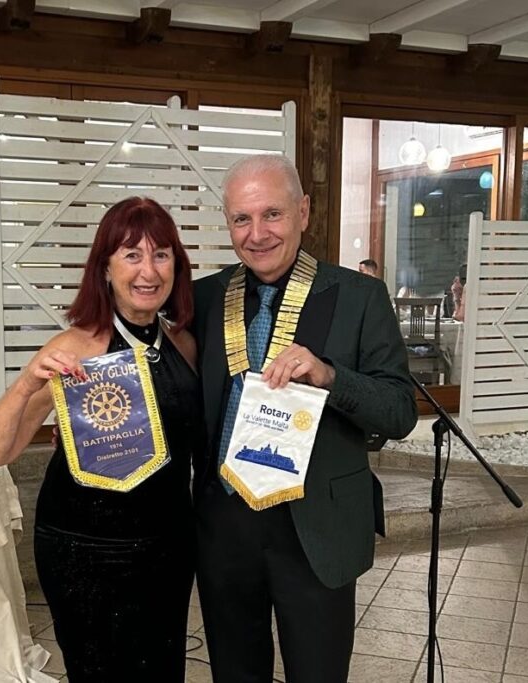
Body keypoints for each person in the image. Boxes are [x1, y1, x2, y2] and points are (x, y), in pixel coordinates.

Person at [192, 155, 418, 682]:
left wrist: (331, 375)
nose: (257, 234)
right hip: (225, 529)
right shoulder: (202, 298)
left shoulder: (360, 297)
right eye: (241, 219)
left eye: (272, 214)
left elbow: (400, 410)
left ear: (304, 212)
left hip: (316, 529)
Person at [0, 197, 200, 682]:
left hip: (167, 544)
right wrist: (26, 386)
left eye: (161, 255)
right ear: (105, 267)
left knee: (163, 671)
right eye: (132, 255)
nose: (148, 270)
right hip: (86, 548)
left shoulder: (182, 344)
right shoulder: (75, 348)